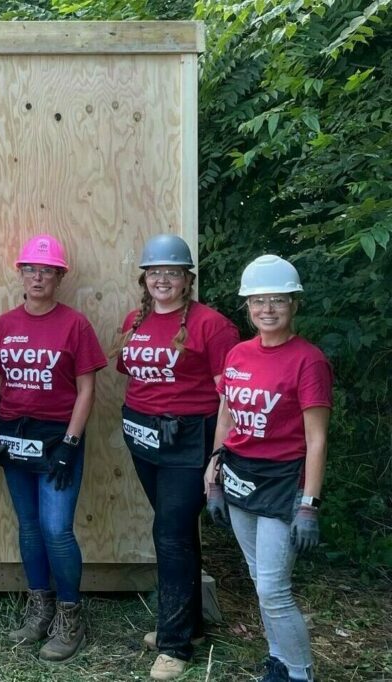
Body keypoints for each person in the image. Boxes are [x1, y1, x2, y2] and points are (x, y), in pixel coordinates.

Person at [114, 234, 239, 681]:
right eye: (154, 272)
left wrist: (219, 455)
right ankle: (191, 624)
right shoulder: (135, 320)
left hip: (190, 441)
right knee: (180, 531)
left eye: (172, 272)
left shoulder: (213, 326)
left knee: (168, 533)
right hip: (144, 438)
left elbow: (233, 397)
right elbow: (132, 373)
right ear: (144, 279)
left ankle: (174, 645)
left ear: (188, 279)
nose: (162, 279)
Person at [0, 234, 107, 663]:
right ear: (21, 273)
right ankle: (39, 609)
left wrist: (71, 442)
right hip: (15, 439)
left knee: (56, 529)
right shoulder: (6, 324)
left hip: (57, 441)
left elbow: (87, 389)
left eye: (46, 270)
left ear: (58, 277)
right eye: (31, 269)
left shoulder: (75, 325)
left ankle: (70, 616)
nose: (37, 277)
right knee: (29, 527)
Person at [205, 255, 331, 682]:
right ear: (248, 307)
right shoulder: (239, 353)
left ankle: (300, 673)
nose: (268, 309)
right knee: (260, 579)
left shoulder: (308, 360)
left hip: (282, 482)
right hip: (239, 474)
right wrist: (215, 470)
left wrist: (309, 505)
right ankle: (278, 657)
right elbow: (227, 414)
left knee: (275, 590)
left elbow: (316, 438)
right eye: (259, 301)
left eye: (278, 300)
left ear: (294, 304)